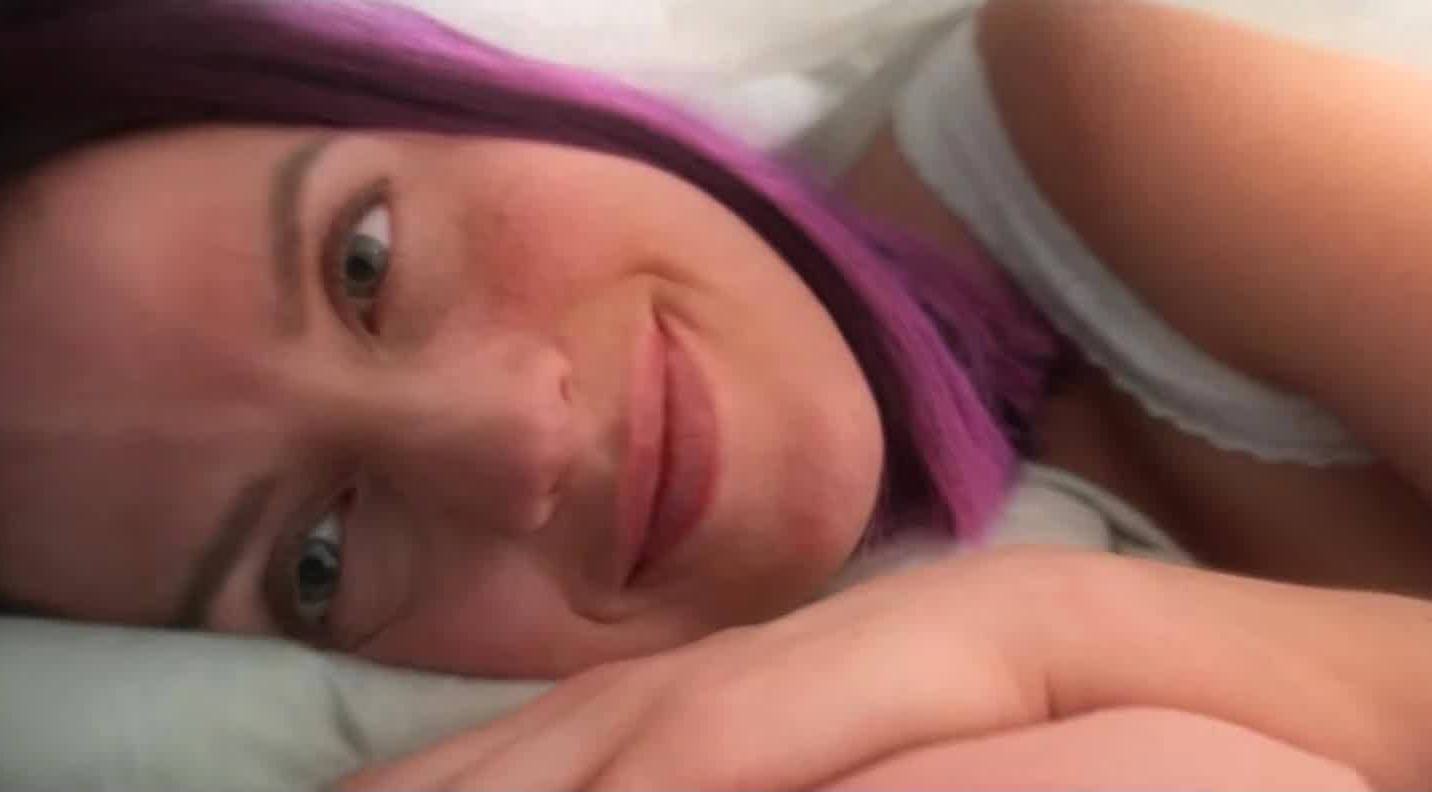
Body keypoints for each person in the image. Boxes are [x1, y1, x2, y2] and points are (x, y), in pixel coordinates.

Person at [2, 0, 1430, 787]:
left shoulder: (1113, 101)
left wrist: (1042, 635)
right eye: (318, 557)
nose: (517, 436)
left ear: (458, 100)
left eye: (363, 261)